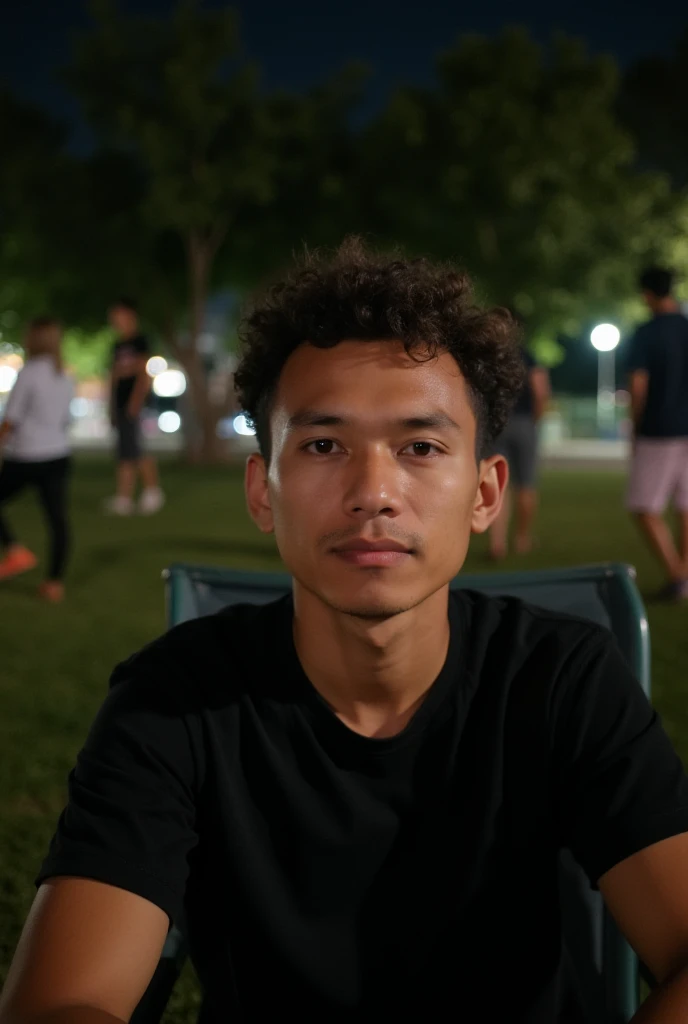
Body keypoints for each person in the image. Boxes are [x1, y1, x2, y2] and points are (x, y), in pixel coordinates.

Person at [4, 240, 688, 1024]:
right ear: (264, 492)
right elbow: (62, 1004)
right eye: (324, 445)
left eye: (421, 448)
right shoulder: (175, 703)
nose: (374, 493)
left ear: (486, 492)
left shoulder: (560, 677)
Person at [0, 317, 74, 602]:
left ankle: (15, 550)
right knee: (57, 520)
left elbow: (12, 419)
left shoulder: (30, 372)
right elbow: (65, 420)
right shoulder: (64, 375)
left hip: (27, 455)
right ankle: (54, 583)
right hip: (58, 455)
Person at [627, 267, 688, 600]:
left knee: (643, 506)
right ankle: (683, 576)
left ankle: (678, 576)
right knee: (685, 505)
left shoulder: (648, 332)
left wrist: (635, 427)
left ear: (647, 293)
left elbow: (638, 385)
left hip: (660, 428)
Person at [489, 320, 550, 559]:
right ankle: (522, 539)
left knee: (497, 482)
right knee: (526, 483)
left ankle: (497, 543)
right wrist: (535, 419)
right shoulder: (528, 356)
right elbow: (540, 391)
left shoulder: (491, 357)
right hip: (524, 422)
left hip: (497, 424)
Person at [105, 297, 164, 516]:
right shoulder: (117, 345)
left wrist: (135, 402)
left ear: (130, 316)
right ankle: (124, 497)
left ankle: (153, 492)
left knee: (137, 449)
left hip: (135, 405)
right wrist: (111, 405)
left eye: (118, 316)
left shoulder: (140, 341)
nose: (114, 321)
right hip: (120, 403)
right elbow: (113, 376)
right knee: (124, 452)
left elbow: (143, 374)